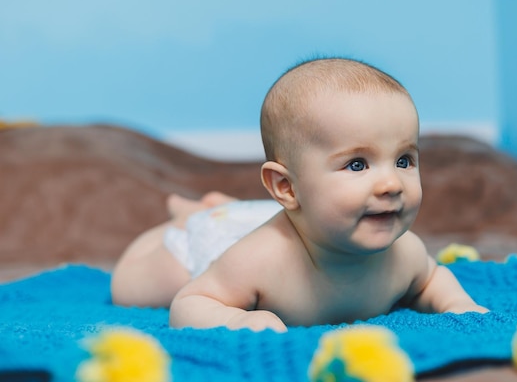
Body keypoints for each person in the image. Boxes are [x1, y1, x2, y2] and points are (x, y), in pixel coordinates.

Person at [111, 57, 488, 332]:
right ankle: (189, 214)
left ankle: (220, 205)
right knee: (127, 287)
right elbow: (190, 303)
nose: (391, 184)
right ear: (287, 188)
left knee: (245, 216)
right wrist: (237, 319)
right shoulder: (257, 261)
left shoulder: (404, 255)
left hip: (275, 216)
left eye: (404, 160)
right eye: (357, 165)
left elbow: (429, 279)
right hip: (215, 240)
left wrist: (456, 304)